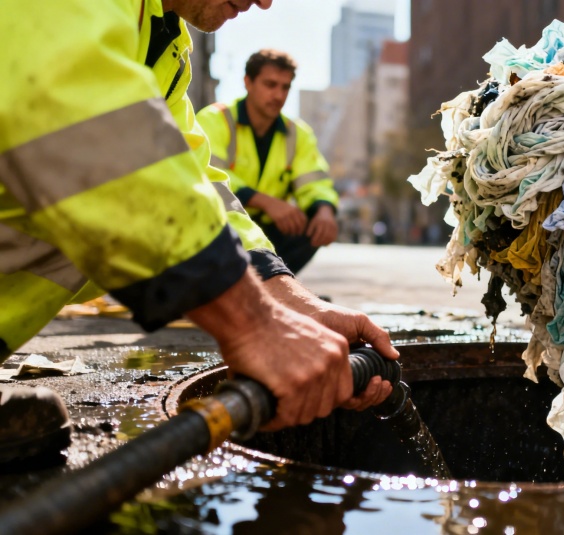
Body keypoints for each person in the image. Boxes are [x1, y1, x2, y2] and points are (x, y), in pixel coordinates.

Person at [0, 0, 397, 466]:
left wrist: (290, 302)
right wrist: (253, 325)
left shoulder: (161, 41)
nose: (266, 1)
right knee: (104, 194)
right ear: (248, 84)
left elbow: (194, 178)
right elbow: (82, 124)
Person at [197, 50, 338, 274]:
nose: (279, 95)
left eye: (285, 87)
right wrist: (264, 201)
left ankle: (273, 284)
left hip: (268, 230)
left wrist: (324, 210)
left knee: (314, 225)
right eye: (270, 84)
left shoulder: (297, 133)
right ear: (248, 82)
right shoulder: (214, 119)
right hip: (220, 223)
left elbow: (314, 180)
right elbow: (204, 173)